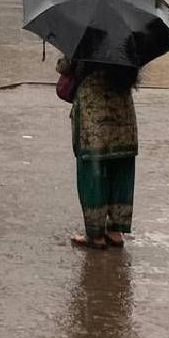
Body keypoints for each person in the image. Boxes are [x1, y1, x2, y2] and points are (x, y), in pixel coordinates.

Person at [57, 58, 139, 250]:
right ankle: (115, 232)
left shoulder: (86, 40)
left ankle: (95, 236)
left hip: (94, 120)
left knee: (92, 174)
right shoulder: (128, 45)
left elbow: (65, 66)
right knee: (120, 172)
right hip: (123, 120)